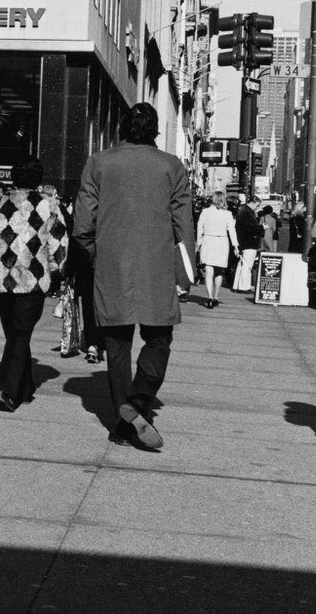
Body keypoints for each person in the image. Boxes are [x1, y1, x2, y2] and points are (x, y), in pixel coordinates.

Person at [73, 103, 196, 451]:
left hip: (111, 265)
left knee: (117, 346)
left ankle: (120, 423)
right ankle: (140, 400)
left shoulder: (98, 163)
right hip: (156, 266)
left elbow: (82, 225)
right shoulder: (172, 166)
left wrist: (99, 256)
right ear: (155, 130)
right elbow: (183, 226)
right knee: (159, 339)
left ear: (123, 127)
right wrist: (186, 274)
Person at [0, 159, 68, 413]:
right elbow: (58, 242)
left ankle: (24, 387)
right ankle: (7, 390)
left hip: (4, 279)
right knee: (20, 335)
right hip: (34, 279)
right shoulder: (48, 204)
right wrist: (56, 270)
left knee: (15, 334)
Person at [195, 192, 238, 308]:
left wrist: (198, 243)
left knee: (209, 271)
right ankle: (216, 297)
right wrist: (235, 246)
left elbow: (200, 228)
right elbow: (232, 231)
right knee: (219, 271)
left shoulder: (205, 212)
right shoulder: (228, 214)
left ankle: (209, 296)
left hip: (208, 241)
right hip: (222, 242)